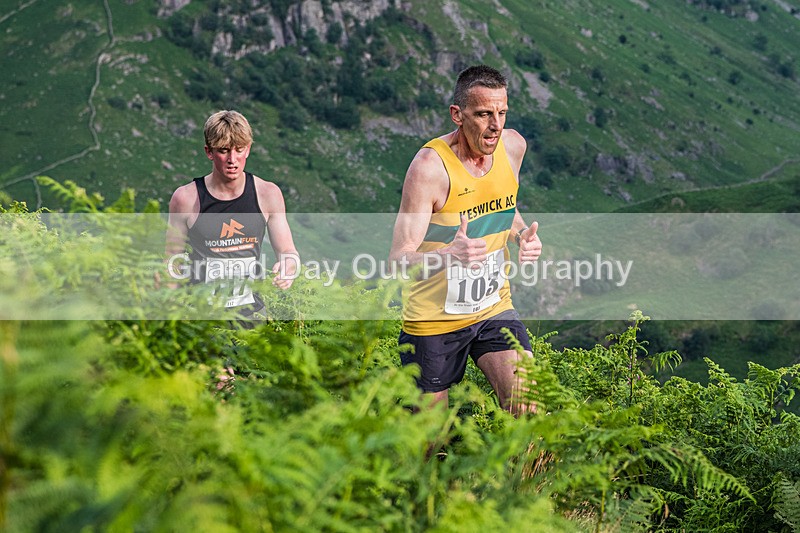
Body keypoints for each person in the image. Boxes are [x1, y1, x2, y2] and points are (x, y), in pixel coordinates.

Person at [389, 65, 542, 415]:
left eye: (502, 112)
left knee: (530, 408)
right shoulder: (429, 168)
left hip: (493, 306)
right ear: (457, 115)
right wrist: (448, 256)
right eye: (484, 114)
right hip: (433, 320)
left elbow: (505, 205)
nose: (496, 125)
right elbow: (399, 259)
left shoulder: (513, 147)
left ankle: (528, 473)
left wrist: (520, 235)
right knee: (426, 442)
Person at [165, 110, 299, 319]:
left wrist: (288, 267)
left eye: (239, 150)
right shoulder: (185, 198)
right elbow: (172, 259)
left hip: (253, 316)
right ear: (209, 152)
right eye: (224, 150)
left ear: (248, 150)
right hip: (199, 318)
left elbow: (288, 251)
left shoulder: (268, 194)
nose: (232, 159)